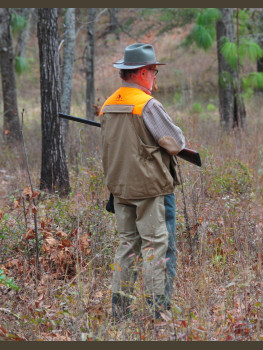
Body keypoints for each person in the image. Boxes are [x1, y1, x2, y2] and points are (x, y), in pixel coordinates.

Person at [99, 43, 186, 321]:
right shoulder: (147, 104)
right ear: (141, 72)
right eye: (153, 70)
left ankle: (119, 311)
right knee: (155, 247)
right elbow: (175, 143)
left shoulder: (109, 104)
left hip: (120, 188)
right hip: (151, 191)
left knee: (127, 247)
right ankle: (157, 312)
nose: (155, 76)